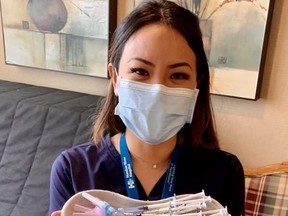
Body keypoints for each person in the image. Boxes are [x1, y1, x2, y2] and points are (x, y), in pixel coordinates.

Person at [49, 0, 245, 215]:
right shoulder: (73, 169)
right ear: (115, 79)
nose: (157, 90)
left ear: (196, 84)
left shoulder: (224, 172)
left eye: (178, 75)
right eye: (140, 71)